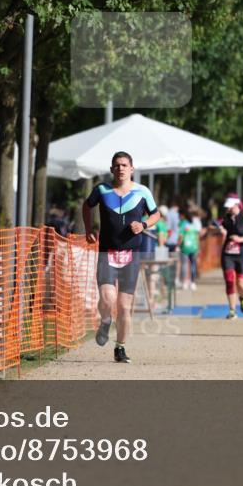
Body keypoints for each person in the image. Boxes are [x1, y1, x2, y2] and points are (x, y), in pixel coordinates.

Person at [83, 152, 160, 364]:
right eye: (117, 165)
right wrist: (90, 228)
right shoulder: (101, 190)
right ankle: (106, 321)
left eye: (124, 165)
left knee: (125, 307)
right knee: (107, 298)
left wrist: (144, 225)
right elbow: (86, 206)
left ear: (132, 169)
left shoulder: (142, 192)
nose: (121, 169)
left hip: (131, 256)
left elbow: (156, 214)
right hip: (107, 253)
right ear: (111, 169)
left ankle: (120, 347)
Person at [214, 194, 243, 319]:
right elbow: (212, 225)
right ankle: (232, 310)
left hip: (242, 254)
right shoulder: (225, 218)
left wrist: (240, 239)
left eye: (230, 207)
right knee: (229, 281)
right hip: (227, 254)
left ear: (236, 205)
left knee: (241, 284)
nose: (228, 209)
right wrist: (219, 229)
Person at [179, 210, 201, 290]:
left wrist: (178, 245)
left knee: (184, 264)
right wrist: (198, 247)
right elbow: (197, 236)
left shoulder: (183, 224)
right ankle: (193, 282)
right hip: (194, 247)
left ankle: (184, 282)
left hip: (185, 247)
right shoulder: (193, 225)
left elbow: (181, 236)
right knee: (193, 265)